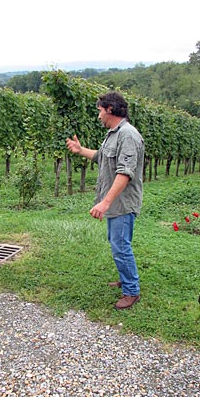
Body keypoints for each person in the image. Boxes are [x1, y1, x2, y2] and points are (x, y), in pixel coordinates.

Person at [66, 91, 144, 310]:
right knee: (118, 243)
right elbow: (102, 156)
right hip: (116, 203)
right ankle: (126, 278)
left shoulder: (127, 135)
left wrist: (105, 202)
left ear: (110, 109)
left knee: (120, 246)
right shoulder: (114, 133)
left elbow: (125, 173)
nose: (98, 115)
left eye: (100, 110)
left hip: (122, 203)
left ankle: (131, 291)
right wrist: (80, 150)